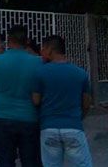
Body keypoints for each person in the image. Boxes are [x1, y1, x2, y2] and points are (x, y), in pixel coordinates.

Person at [0, 25, 42, 167]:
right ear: (27, 41)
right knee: (30, 161)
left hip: (3, 116)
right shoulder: (37, 62)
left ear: (8, 41)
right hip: (29, 118)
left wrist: (0, 97)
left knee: (5, 160)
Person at [32, 35, 93, 167]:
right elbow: (86, 103)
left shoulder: (40, 73)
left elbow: (36, 101)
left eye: (43, 48)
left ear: (50, 50)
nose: (41, 52)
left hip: (48, 127)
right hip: (73, 126)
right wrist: (78, 117)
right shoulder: (80, 73)